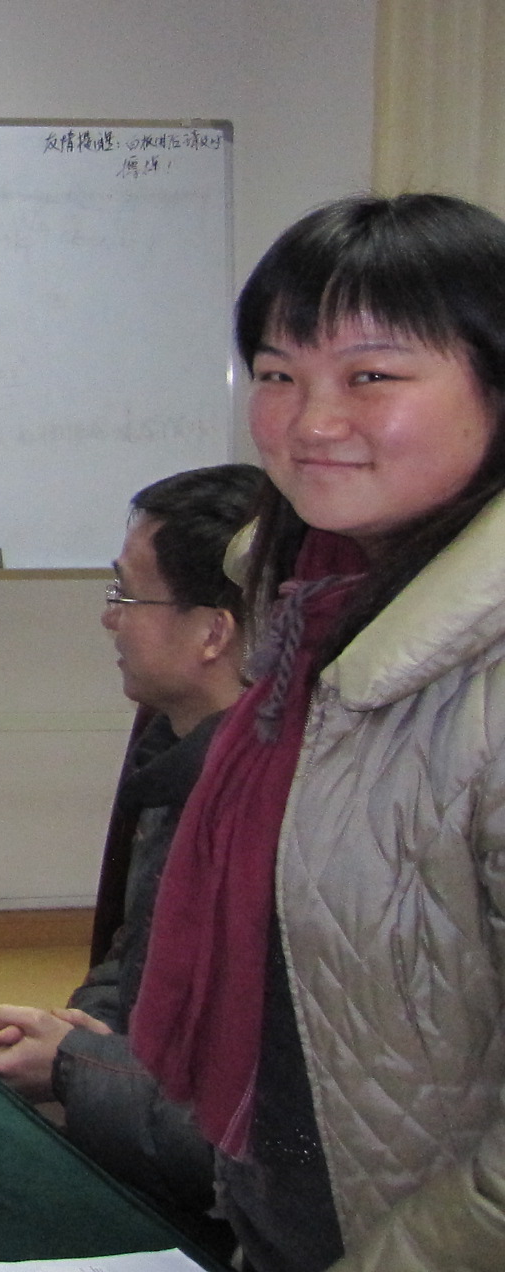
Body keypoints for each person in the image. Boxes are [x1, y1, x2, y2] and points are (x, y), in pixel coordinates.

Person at [127, 194, 505, 1270]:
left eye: (372, 376)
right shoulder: (310, 608)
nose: (311, 422)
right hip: (294, 1194)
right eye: (278, 373)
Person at [0, 462, 263, 1232]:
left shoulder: (272, 812)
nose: (108, 618)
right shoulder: (183, 760)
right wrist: (71, 1035)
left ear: (214, 632)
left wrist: (71, 1066)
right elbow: (133, 964)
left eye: (126, 595)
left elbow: (241, 1136)